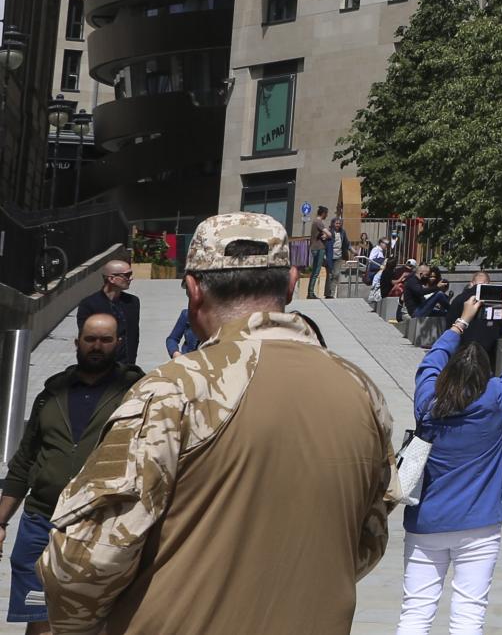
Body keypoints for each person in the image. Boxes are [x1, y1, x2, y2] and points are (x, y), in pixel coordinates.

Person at [39, 213, 392, 635]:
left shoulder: (176, 389)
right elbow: (368, 541)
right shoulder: (362, 390)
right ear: (293, 281)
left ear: (193, 288)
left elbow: (87, 559)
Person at [399, 288, 502, 635]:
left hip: (427, 519)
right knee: (469, 614)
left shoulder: (428, 401)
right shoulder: (495, 400)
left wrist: (460, 322)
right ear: (485, 375)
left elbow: (430, 362)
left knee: (415, 611)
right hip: (479, 523)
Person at [0, 312, 141, 633]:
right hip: (41, 522)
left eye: (106, 340)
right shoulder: (51, 394)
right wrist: (1, 520)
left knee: (94, 618)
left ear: (118, 344)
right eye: (90, 339)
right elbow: (25, 460)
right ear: (77, 343)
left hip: (103, 525)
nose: (97, 346)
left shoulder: (136, 392)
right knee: (37, 615)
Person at [73, 262, 141, 372]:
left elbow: (134, 334)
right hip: (100, 367)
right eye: (127, 275)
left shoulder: (132, 302)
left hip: (127, 367)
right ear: (112, 278)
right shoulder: (89, 304)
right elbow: (86, 339)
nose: (131, 278)